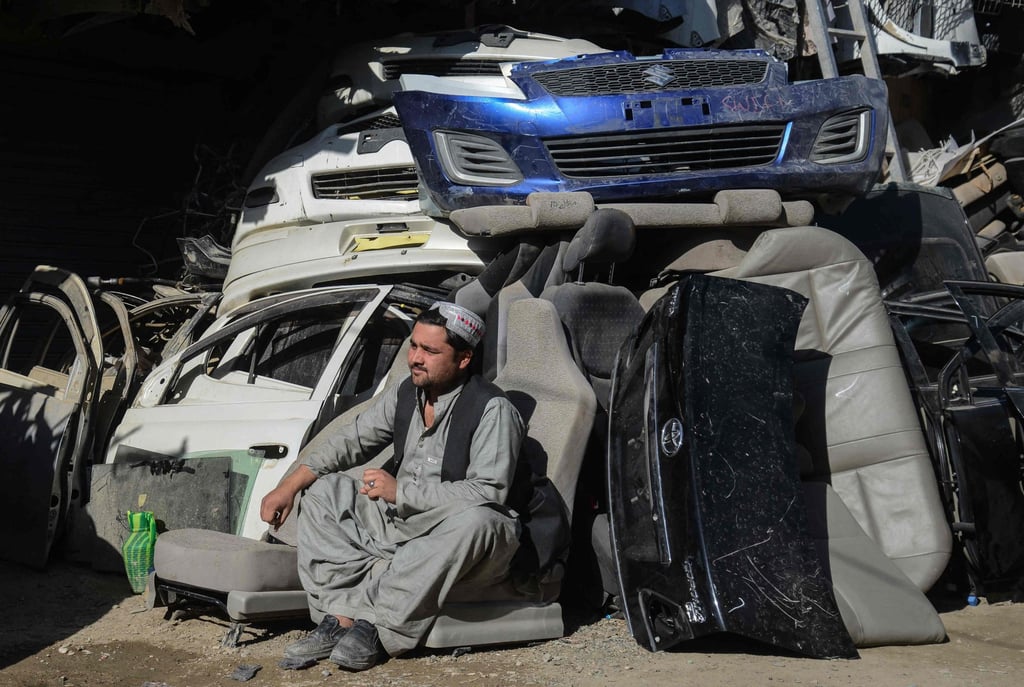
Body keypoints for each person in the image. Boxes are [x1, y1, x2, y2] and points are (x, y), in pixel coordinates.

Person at [259, 301, 525, 671]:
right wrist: (289, 485)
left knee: (478, 520)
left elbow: (487, 493)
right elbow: (351, 440)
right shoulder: (407, 392)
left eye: (430, 351)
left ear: (464, 358)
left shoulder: (492, 410)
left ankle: (380, 626)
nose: (415, 358)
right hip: (403, 523)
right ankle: (340, 616)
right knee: (324, 491)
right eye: (414, 346)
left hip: (458, 534)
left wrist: (401, 493)